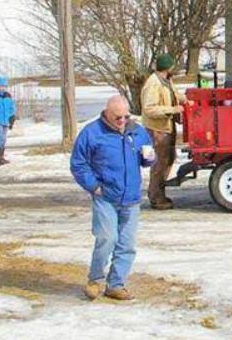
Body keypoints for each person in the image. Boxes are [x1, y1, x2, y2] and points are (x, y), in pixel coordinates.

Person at [70, 95, 155, 301]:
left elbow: (147, 160)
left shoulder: (138, 131)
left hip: (132, 198)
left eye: (126, 116)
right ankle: (95, 280)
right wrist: (94, 186)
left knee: (127, 245)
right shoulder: (92, 133)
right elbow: (78, 164)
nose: (123, 120)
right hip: (106, 196)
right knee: (107, 238)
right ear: (107, 113)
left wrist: (150, 158)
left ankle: (116, 284)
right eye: (118, 117)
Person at [140, 53, 185, 210]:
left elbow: (175, 95)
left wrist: (186, 99)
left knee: (168, 159)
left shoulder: (166, 81)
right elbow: (149, 108)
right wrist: (172, 109)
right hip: (157, 129)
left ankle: (160, 193)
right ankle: (156, 197)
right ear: (168, 67)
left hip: (167, 127)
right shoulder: (153, 84)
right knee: (159, 163)